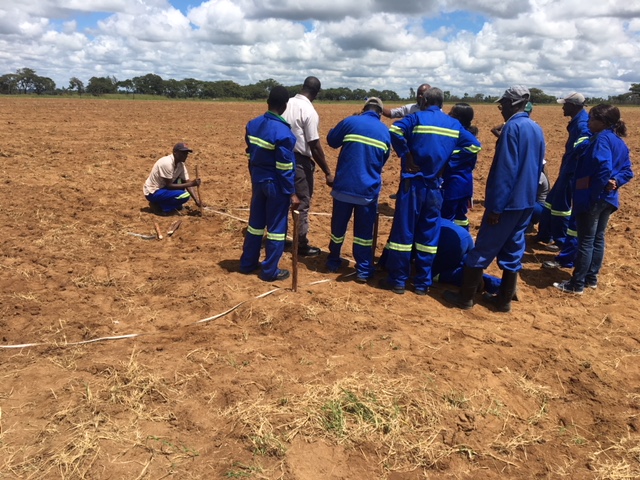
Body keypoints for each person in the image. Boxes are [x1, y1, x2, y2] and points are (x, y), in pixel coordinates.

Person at [444, 85, 546, 312]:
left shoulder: (512, 128)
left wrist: (496, 207)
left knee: (482, 249)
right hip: (527, 201)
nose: (501, 109)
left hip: (507, 203)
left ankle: (465, 298)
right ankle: (504, 300)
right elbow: (539, 167)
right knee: (513, 250)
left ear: (515, 103)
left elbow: (505, 170)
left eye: (504, 104)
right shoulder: (536, 128)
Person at [379, 87, 480, 295]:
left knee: (404, 232)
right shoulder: (453, 124)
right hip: (435, 186)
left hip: (412, 185)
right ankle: (422, 283)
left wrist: (407, 155)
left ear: (424, 100)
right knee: (428, 234)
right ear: (442, 104)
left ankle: (398, 280)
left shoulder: (416, 118)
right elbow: (474, 146)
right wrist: (448, 162)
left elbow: (394, 131)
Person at [553, 104, 633, 294]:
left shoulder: (601, 140)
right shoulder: (619, 141)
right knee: (598, 239)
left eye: (591, 119)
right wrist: (615, 181)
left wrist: (595, 192)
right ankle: (591, 279)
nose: (588, 122)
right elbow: (628, 171)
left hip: (593, 198)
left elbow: (603, 167)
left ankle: (577, 284)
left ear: (603, 122)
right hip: (609, 199)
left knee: (586, 241)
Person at [325, 97, 391, 282]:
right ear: (380, 113)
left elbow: (331, 140)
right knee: (364, 233)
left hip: (344, 188)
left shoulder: (350, 122)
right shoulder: (385, 132)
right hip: (367, 191)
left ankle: (332, 260)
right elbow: (382, 160)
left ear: (364, 109)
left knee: (338, 228)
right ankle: (363, 269)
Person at [240, 86, 300, 282]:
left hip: (258, 181)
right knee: (276, 229)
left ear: (268, 102)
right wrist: (291, 193)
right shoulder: (284, 133)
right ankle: (269, 271)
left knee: (255, 225)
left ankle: (248, 263)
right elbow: (285, 167)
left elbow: (250, 154)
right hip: (275, 185)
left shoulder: (253, 124)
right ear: (284, 106)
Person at [283, 76, 334, 257]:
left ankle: (280, 238)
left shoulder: (286, 103)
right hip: (299, 162)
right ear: (316, 93)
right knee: (302, 203)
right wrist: (327, 171)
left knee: (284, 199)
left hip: (280, 158)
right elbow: (314, 144)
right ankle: (301, 244)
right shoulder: (309, 111)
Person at [535, 92, 592, 250]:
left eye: (565, 104)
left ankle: (560, 240)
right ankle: (545, 235)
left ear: (573, 106)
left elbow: (585, 144)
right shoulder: (578, 120)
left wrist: (575, 160)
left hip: (572, 171)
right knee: (550, 202)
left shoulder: (582, 124)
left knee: (561, 206)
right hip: (567, 168)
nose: (562, 107)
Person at [441, 103, 481, 229]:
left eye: (451, 113)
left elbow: (476, 146)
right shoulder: (462, 132)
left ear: (458, 117)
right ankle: (463, 241)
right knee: (460, 216)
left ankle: (447, 243)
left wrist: (450, 157)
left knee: (446, 216)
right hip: (465, 183)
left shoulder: (459, 131)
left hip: (454, 183)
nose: (448, 115)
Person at [434, 219, 501, 295]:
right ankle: (500, 285)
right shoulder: (428, 214)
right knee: (469, 268)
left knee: (434, 274)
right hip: (465, 237)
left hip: (450, 243)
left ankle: (476, 282)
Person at [143, 142, 202, 215]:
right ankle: (162, 207)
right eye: (182, 153)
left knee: (181, 182)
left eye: (186, 153)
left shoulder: (181, 164)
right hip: (153, 192)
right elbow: (169, 185)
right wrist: (192, 183)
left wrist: (197, 201)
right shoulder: (167, 163)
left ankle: (165, 204)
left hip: (163, 189)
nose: (185, 156)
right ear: (175, 152)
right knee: (185, 195)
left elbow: (186, 181)